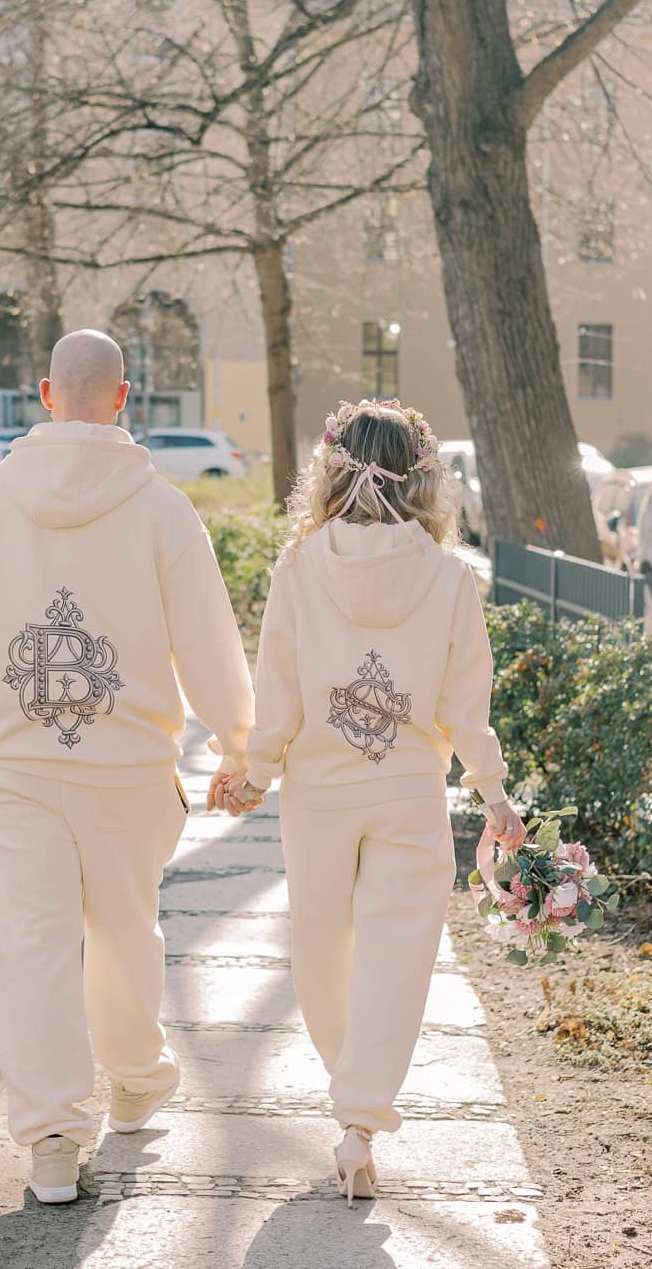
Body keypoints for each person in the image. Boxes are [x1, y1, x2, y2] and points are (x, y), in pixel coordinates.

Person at [0, 329, 254, 1205]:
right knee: (123, 929)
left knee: (27, 948)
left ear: (43, 393)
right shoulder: (163, 511)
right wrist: (238, 739)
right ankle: (138, 1074)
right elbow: (208, 639)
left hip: (15, 766)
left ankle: (53, 1136)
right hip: (128, 765)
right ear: (123, 395)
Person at [215, 398, 525, 1205]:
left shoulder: (299, 565)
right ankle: (359, 1121)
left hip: (319, 792)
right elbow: (467, 704)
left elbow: (276, 688)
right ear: (426, 480)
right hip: (408, 791)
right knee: (397, 958)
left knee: (322, 953)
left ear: (331, 471)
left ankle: (349, 1092)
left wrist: (257, 768)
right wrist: (493, 792)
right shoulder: (451, 577)